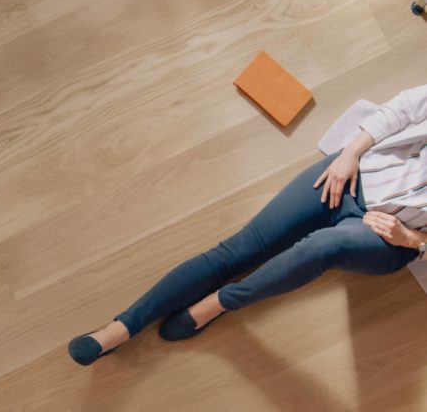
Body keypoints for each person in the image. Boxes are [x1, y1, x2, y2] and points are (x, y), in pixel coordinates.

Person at [68, 83, 427, 366]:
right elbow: (406, 107)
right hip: (354, 173)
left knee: (321, 247)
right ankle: (120, 328)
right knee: (238, 250)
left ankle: (222, 302)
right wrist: (350, 153)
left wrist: (411, 239)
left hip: (389, 235)